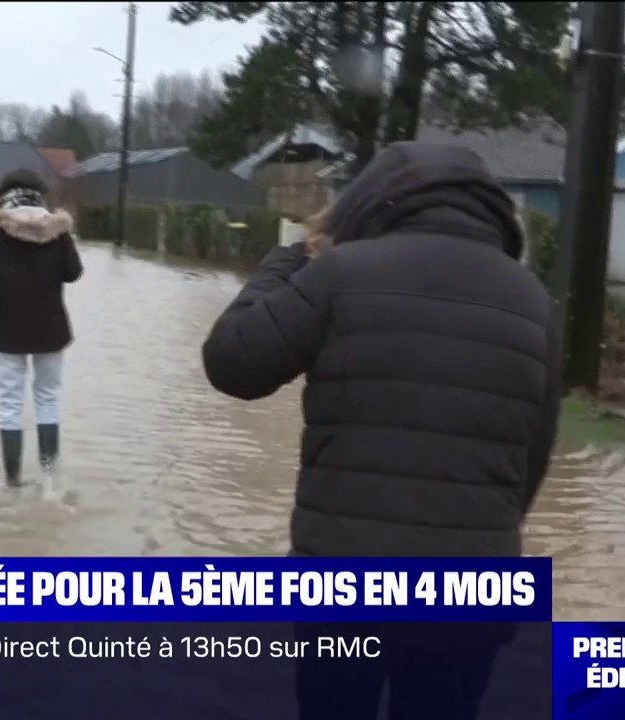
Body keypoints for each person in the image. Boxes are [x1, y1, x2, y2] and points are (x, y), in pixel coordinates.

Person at [200, 142, 562, 719]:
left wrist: (291, 258)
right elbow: (533, 458)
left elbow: (232, 364)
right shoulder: (534, 303)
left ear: (373, 200)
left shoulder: (340, 275)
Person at [0, 169, 83, 487]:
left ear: (5, 192)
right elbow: (73, 273)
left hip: (8, 328)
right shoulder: (57, 228)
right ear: (40, 193)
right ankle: (48, 477)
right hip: (51, 329)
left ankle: (12, 482)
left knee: (10, 404)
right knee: (48, 399)